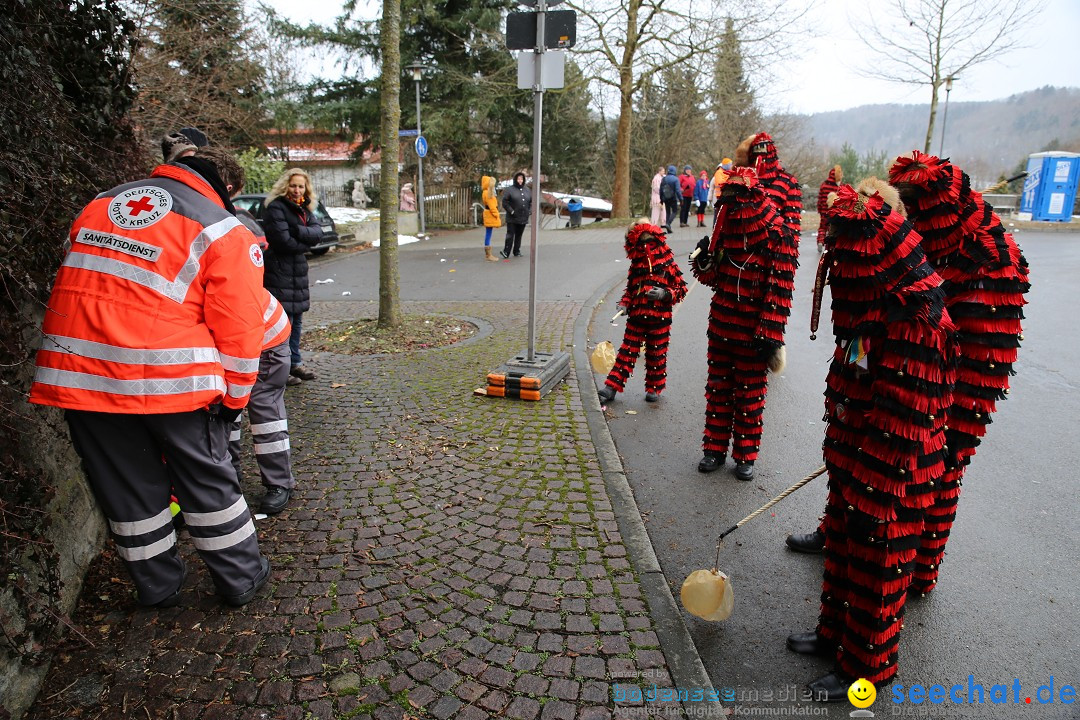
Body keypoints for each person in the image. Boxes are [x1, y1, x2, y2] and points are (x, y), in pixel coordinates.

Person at [28, 147, 272, 608]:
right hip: (170, 382)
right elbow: (240, 330)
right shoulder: (222, 228)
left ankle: (158, 586)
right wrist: (234, 402)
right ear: (226, 187)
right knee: (207, 482)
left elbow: (86, 280)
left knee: (127, 487)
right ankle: (241, 577)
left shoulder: (102, 203)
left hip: (80, 376)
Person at [786, 153, 1032, 581]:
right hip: (895, 364)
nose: (909, 212)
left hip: (952, 385)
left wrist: (951, 422)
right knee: (860, 457)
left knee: (938, 470)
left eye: (916, 203)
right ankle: (839, 531)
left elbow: (989, 348)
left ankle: (917, 570)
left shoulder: (994, 257)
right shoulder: (912, 238)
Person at [787, 180, 957, 699]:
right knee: (841, 547)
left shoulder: (918, 315)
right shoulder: (875, 300)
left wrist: (875, 481)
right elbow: (855, 363)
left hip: (892, 472)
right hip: (856, 455)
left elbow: (907, 413)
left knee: (877, 566)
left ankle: (865, 670)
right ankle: (834, 635)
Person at [201, 146, 298, 516]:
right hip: (227, 340)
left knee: (262, 410)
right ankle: (231, 484)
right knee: (227, 413)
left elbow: (239, 308)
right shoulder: (204, 219)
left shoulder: (232, 224)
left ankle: (278, 483)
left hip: (263, 339)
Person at [689, 167, 797, 481]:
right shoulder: (725, 232)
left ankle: (745, 456)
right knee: (718, 390)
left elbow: (781, 289)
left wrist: (770, 333)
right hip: (721, 325)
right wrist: (703, 260)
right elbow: (713, 279)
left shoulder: (778, 234)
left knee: (750, 396)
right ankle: (713, 449)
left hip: (753, 332)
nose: (729, 208)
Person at [598, 219, 688, 405]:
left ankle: (654, 388)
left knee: (657, 354)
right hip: (637, 317)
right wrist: (624, 304)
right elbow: (631, 290)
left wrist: (665, 294)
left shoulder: (667, 262)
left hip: (660, 318)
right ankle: (612, 387)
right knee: (626, 353)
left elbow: (681, 289)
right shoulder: (636, 264)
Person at [263, 168, 323, 383]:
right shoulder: (276, 207)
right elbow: (282, 241)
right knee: (282, 322)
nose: (297, 190)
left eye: (301, 186)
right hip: (279, 270)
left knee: (296, 320)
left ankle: (294, 363)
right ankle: (280, 369)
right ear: (285, 186)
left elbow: (318, 233)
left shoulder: (304, 209)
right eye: (293, 185)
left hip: (298, 270)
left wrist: (297, 231)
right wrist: (304, 239)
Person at [734, 132, 801, 239]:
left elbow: (792, 224)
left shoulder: (788, 182)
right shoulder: (739, 181)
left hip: (774, 248)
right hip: (742, 247)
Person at [500, 172, 531, 258]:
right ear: (515, 179)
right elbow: (504, 202)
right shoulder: (509, 189)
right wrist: (511, 211)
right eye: (518, 179)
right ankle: (506, 252)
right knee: (510, 235)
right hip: (512, 217)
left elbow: (531, 202)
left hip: (523, 217)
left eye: (521, 179)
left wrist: (529, 211)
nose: (520, 180)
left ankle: (517, 251)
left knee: (519, 235)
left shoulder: (527, 190)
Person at [815, 165, 842, 253]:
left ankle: (820, 241)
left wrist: (819, 209)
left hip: (824, 210)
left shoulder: (824, 185)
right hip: (834, 211)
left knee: (822, 227)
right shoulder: (839, 187)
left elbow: (819, 199)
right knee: (833, 228)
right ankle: (832, 245)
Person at [481, 175, 502, 262]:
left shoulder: (485, 192)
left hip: (488, 213)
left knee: (488, 233)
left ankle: (488, 254)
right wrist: (496, 214)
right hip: (490, 214)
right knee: (488, 234)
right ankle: (488, 255)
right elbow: (492, 206)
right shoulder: (488, 193)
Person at [707, 158, 733, 224]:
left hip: (722, 198)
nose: (731, 166)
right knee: (717, 216)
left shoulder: (726, 173)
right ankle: (715, 231)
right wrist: (709, 199)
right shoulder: (719, 173)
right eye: (730, 165)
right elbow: (712, 188)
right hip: (718, 198)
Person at [659, 165, 680, 233]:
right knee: (674, 211)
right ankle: (668, 224)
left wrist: (661, 200)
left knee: (668, 212)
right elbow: (677, 190)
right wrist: (681, 199)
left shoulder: (664, 179)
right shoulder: (675, 179)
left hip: (665, 198)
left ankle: (669, 227)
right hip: (673, 198)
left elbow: (661, 190)